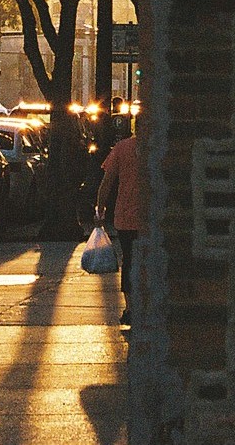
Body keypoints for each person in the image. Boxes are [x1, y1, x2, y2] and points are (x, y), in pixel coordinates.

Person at [94, 128, 142, 326]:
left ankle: (130, 307)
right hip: (150, 217)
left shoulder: (122, 148)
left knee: (129, 261)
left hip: (126, 215)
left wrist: (100, 209)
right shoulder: (156, 147)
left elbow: (107, 181)